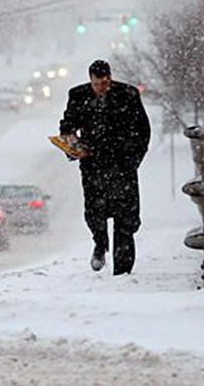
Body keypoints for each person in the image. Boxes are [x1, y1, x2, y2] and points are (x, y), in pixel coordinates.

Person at [59, 60, 150, 275]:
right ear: (90, 80)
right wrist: (71, 145)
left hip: (122, 163)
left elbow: (142, 129)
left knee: (125, 217)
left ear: (110, 78)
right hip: (93, 163)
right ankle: (100, 244)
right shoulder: (78, 95)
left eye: (105, 82)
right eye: (98, 83)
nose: (102, 87)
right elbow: (68, 125)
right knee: (95, 210)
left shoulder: (127, 94)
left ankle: (123, 268)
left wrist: (133, 159)